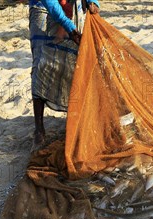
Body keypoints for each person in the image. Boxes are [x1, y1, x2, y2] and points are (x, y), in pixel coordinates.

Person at [29, 0, 100, 148]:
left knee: (73, 62)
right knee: (41, 62)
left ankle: (74, 120)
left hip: (73, 5)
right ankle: (39, 129)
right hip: (43, 6)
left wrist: (93, 1)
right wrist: (68, 26)